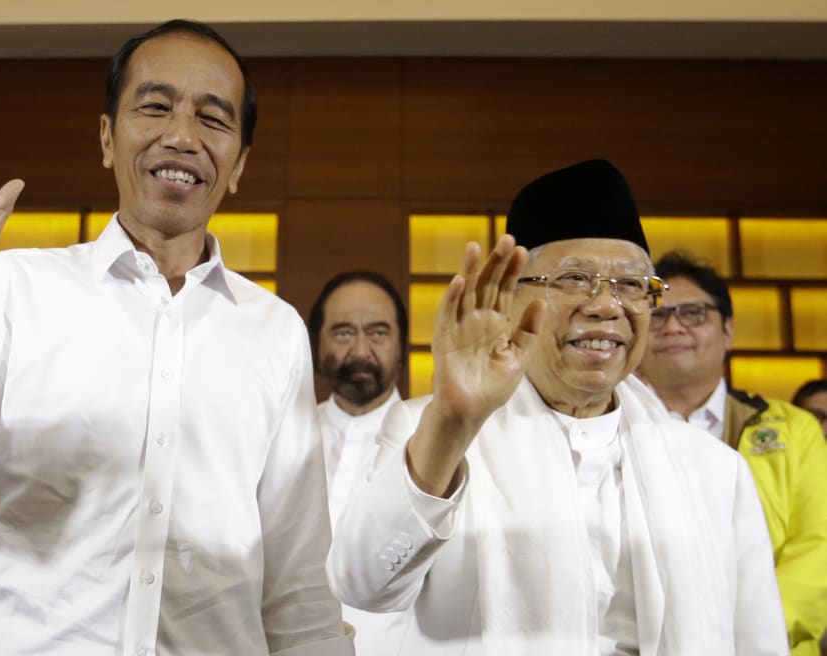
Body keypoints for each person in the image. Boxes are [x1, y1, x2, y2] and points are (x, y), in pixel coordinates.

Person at [0, 19, 350, 656]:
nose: (181, 136)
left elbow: (299, 582)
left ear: (238, 166)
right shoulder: (15, 290)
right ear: (105, 137)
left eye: (213, 119)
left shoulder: (275, 330)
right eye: (154, 106)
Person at [327, 159, 788, 654]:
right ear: (510, 299)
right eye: (573, 279)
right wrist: (452, 423)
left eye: (631, 285)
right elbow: (363, 586)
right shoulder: (430, 429)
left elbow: (759, 640)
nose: (606, 306)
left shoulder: (715, 471)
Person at [638, 250, 827, 656]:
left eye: (693, 313)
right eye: (656, 316)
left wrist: (742, 631)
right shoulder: (612, 428)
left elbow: (819, 546)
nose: (672, 326)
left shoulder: (794, 429)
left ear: (727, 331)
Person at [308, 271, 408, 653]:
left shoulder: (436, 441)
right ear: (317, 345)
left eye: (378, 333)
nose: (362, 350)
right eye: (344, 333)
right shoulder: (282, 434)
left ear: (400, 344)